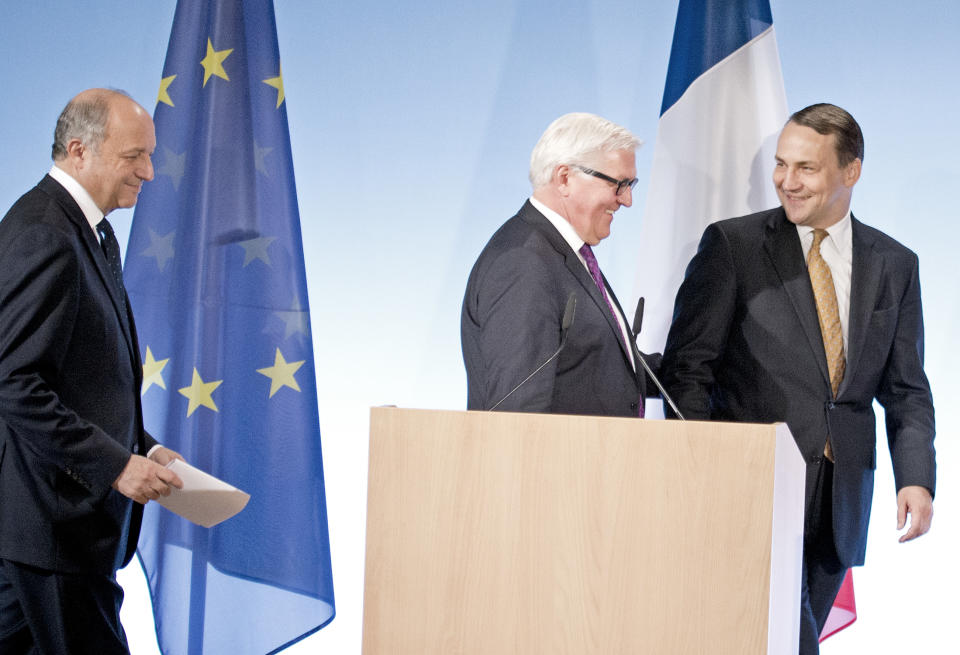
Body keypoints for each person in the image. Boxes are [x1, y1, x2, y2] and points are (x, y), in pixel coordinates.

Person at [660, 103, 935, 654]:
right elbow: (687, 368)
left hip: (840, 502)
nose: (787, 181)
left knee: (780, 639)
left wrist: (916, 476)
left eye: (805, 168)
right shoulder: (733, 246)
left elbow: (906, 386)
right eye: (781, 165)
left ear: (850, 171)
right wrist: (708, 466)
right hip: (751, 490)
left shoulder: (895, 263)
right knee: (781, 636)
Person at [0, 88, 184, 654]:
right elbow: (13, 380)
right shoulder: (45, 234)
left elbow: (79, 380)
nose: (149, 172)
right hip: (55, 531)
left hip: (46, 533)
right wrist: (114, 465)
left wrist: (144, 449)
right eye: (135, 157)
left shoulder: (94, 233)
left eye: (150, 156)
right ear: (79, 151)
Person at [462, 112, 659, 416]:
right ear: (565, 178)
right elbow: (518, 408)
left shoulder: (560, 253)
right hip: (556, 463)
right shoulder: (524, 263)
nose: (627, 200)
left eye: (631, 184)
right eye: (619, 184)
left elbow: (591, 363)